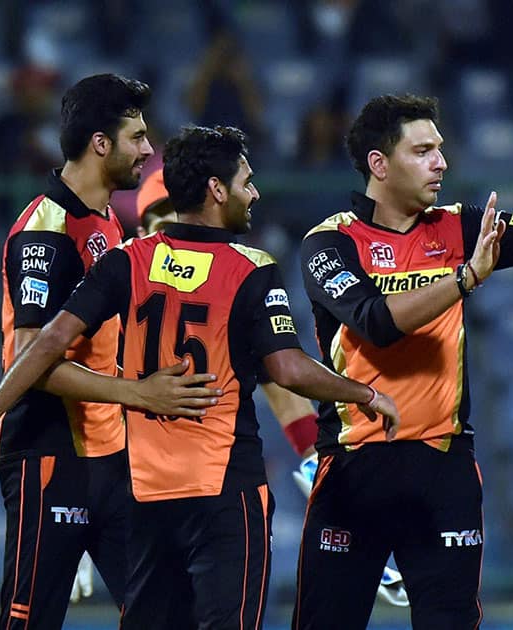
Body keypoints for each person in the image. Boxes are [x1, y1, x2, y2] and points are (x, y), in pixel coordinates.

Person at [0, 124, 401, 628]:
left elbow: (47, 344)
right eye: (246, 182)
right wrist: (363, 397)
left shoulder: (126, 262)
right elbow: (283, 367)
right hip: (220, 491)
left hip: (146, 495)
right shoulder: (247, 269)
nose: (255, 193)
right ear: (214, 191)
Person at [292, 93, 513, 629]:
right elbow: (375, 322)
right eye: (424, 150)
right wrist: (463, 279)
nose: (442, 162)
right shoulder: (330, 242)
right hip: (353, 469)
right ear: (379, 164)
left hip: (443, 468)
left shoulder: (458, 227)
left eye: (440, 148)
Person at [0, 74, 219, 629]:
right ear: (100, 143)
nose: (146, 150)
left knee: (166, 614)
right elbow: (30, 354)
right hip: (49, 456)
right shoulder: (46, 231)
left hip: (110, 460)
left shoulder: (108, 221)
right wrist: (136, 391)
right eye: (136, 137)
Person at [135, 162, 411, 607]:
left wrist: (316, 467)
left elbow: (281, 381)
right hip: (138, 489)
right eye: (166, 224)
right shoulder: (118, 283)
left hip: (213, 486)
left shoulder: (230, 285)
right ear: (143, 230)